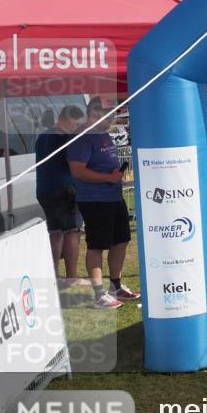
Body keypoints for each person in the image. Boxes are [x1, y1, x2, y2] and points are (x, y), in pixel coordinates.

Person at [67, 97, 139, 309]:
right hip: (95, 200)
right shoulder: (82, 137)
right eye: (110, 113)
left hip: (114, 197)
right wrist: (108, 178)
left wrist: (114, 176)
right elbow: (78, 171)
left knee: (121, 240)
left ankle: (115, 285)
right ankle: (99, 294)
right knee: (97, 245)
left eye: (114, 113)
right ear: (94, 114)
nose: (114, 117)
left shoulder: (103, 133)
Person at [35, 104, 90, 289]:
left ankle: (54, 275)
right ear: (66, 120)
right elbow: (74, 163)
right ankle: (72, 277)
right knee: (72, 232)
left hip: (44, 190)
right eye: (76, 124)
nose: (77, 128)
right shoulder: (65, 138)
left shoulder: (43, 136)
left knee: (56, 233)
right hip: (64, 190)